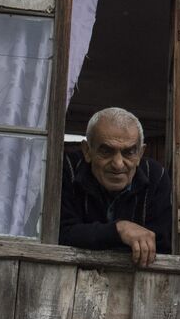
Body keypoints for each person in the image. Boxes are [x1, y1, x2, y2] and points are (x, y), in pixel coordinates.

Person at [60, 107, 171, 266]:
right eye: (106, 151)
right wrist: (119, 230)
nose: (118, 164)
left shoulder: (156, 176)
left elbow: (161, 244)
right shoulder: (67, 170)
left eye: (129, 152)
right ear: (87, 151)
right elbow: (60, 233)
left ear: (140, 153)